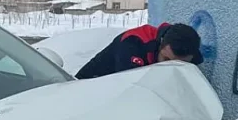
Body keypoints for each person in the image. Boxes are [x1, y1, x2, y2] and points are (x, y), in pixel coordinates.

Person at [74, 22, 204, 80]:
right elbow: (129, 87)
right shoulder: (133, 43)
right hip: (90, 88)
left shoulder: (190, 52)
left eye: (180, 65)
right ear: (160, 43)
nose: (170, 67)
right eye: (166, 60)